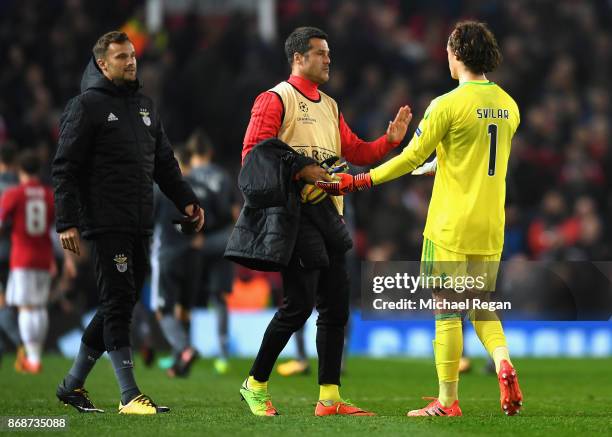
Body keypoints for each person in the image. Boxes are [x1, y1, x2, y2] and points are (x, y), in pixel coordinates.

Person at [316, 21, 523, 417]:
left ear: (458, 52)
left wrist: (359, 180)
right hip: (491, 224)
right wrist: (440, 164)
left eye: (448, 50)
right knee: (480, 304)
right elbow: (481, 159)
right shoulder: (509, 105)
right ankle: (502, 361)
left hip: (451, 224)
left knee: (446, 308)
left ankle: (447, 402)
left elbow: (409, 156)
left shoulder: (446, 104)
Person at [236, 26, 411, 417]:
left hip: (329, 216)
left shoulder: (329, 106)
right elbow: (254, 155)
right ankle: (255, 383)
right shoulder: (274, 99)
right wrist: (301, 170)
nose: (329, 58)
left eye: (329, 52)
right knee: (298, 306)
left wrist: (389, 142)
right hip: (292, 215)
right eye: (320, 53)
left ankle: (329, 398)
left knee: (335, 307)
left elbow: (359, 151)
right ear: (298, 58)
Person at [52, 31, 204, 415]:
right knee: (118, 303)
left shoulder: (145, 107)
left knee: (118, 302)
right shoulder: (86, 106)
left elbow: (165, 164)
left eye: (133, 56)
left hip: (139, 222)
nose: (131, 62)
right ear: (103, 64)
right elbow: (65, 167)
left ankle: (72, 385)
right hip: (105, 222)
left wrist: (187, 200)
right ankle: (129, 394)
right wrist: (66, 221)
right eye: (121, 57)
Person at [186, 129, 239, 375]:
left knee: (183, 294)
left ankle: (182, 350)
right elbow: (235, 212)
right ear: (210, 153)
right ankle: (223, 353)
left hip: (196, 242)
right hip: (223, 241)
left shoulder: (187, 178)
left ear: (191, 154)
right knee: (219, 297)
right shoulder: (222, 176)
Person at [0, 151, 54, 374]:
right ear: (39, 171)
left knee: (25, 306)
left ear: (20, 171)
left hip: (21, 256)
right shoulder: (50, 195)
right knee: (39, 306)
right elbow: (56, 227)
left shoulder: (14, 194)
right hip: (44, 255)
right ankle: (35, 355)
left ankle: (32, 358)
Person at [150, 146, 201, 378]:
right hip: (191, 255)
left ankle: (184, 349)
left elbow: (148, 222)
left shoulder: (162, 190)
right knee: (183, 310)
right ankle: (179, 365)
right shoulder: (197, 189)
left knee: (163, 309)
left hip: (167, 255)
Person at [0, 143, 25, 369]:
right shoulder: (19, 186)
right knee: (11, 302)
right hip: (17, 251)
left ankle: (22, 346)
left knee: (3, 303)